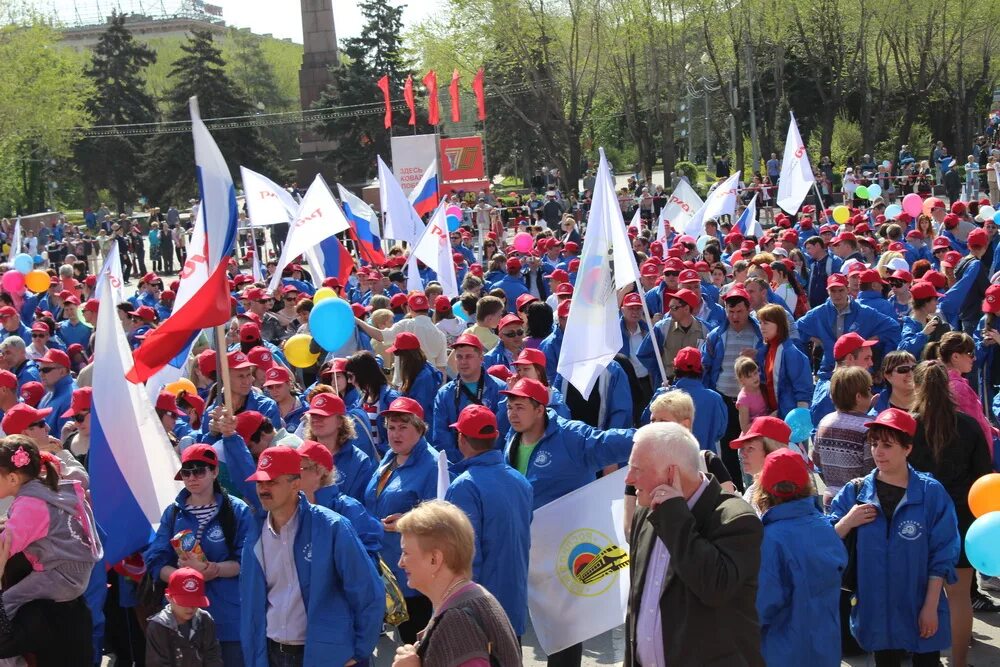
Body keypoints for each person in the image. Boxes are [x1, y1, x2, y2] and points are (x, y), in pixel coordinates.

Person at [624, 422, 764, 666]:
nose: (629, 479)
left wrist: (675, 515)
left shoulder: (736, 518)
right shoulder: (644, 513)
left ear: (671, 474)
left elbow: (713, 587)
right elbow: (637, 603)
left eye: (637, 469)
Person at [829, 408, 960, 667]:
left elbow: (943, 553)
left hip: (919, 602)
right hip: (875, 607)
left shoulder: (930, 493)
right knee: (885, 660)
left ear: (907, 448)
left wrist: (930, 606)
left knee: (927, 660)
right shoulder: (855, 492)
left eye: (887, 445)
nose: (878, 451)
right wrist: (848, 521)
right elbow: (824, 541)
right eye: (875, 443)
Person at [240, 446, 384, 666]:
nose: (263, 489)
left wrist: (359, 651)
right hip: (271, 653)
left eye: (272, 482)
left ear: (295, 483)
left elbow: (367, 591)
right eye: (260, 482)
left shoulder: (332, 526)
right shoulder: (254, 534)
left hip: (322, 655)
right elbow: (251, 600)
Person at [911, 360, 994, 658]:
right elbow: (983, 477)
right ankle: (959, 662)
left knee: (921, 596)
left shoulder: (907, 426)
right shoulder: (969, 426)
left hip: (917, 522)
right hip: (962, 522)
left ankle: (926, 658)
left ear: (917, 387)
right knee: (959, 598)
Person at [144, 444, 251, 667]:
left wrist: (216, 570)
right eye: (186, 472)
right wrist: (184, 577)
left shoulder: (237, 511)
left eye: (199, 470)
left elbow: (248, 561)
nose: (192, 477)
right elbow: (155, 560)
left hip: (227, 617)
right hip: (181, 619)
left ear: (214, 472)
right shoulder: (173, 512)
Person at [391, 500, 522, 666]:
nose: (401, 563)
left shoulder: (457, 623)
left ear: (434, 559)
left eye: (406, 552)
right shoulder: (472, 596)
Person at [444, 405, 532, 637]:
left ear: (462, 438)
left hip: (479, 613)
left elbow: (465, 557)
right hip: (513, 603)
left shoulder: (464, 486)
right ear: (494, 437)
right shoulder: (520, 481)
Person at [755, 449, 846, 667]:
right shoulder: (825, 528)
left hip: (782, 654)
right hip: (826, 649)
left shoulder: (769, 539)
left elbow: (762, 605)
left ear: (763, 489)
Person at [0, 436, 101, 622]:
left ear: (13, 478)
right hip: (70, 570)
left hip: (60, 575)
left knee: (7, 602)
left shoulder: (30, 504)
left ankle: (11, 651)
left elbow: (5, 544)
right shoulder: (40, 489)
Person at [363, 397, 439, 644]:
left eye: (403, 427)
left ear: (419, 428)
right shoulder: (391, 457)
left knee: (417, 645)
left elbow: (441, 515)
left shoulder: (433, 464)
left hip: (415, 576)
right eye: (391, 427)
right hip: (387, 568)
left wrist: (409, 520)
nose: (395, 434)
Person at [813, 367, 875, 508]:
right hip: (859, 502)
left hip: (831, 499)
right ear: (858, 397)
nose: (872, 394)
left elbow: (816, 459)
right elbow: (871, 467)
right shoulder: (868, 427)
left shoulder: (824, 422)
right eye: (869, 390)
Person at [145, 567, 224, 667]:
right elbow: (157, 663)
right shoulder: (158, 626)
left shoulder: (205, 620)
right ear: (169, 597)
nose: (190, 608)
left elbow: (213, 657)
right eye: (184, 602)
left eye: (195, 602)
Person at [756, 304, 813, 419]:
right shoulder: (765, 351)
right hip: (774, 415)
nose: (761, 327)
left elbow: (803, 390)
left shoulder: (791, 352)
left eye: (766, 323)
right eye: (760, 323)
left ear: (779, 325)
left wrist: (799, 419)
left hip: (789, 419)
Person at [729, 416, 791, 511]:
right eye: (742, 449)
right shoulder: (753, 491)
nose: (742, 454)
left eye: (750, 448)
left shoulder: (787, 494)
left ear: (773, 451)